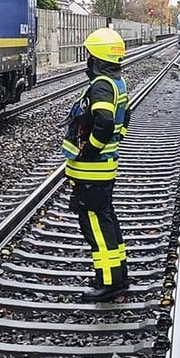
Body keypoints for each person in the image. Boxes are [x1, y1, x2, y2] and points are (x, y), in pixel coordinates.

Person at [62, 28, 131, 301]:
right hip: (103, 170)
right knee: (107, 221)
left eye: (89, 54)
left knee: (97, 228)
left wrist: (89, 151)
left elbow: (103, 123)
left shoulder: (102, 86)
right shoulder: (117, 83)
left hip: (93, 171)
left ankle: (109, 283)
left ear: (97, 57)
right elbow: (123, 122)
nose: (86, 58)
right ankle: (118, 275)